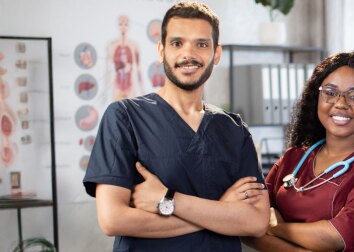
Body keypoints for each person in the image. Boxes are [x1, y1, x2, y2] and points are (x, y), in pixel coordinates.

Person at [83, 2, 269, 251]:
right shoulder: (124, 117)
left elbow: (256, 222)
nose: (188, 54)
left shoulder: (235, 130)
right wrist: (222, 211)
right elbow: (113, 219)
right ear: (161, 51)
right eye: (177, 43)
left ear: (216, 53)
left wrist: (168, 200)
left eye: (201, 44)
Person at [242, 52, 354, 252]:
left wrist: (276, 227)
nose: (341, 103)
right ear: (316, 98)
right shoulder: (294, 157)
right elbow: (248, 222)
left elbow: (337, 236)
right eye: (330, 92)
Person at [106, 15, 144, 101]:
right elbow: (108, 70)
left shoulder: (134, 45)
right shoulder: (112, 45)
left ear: (129, 26)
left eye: (126, 24)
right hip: (117, 85)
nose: (123, 27)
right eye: (120, 24)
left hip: (130, 86)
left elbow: (138, 70)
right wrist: (105, 91)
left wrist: (142, 91)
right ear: (117, 26)